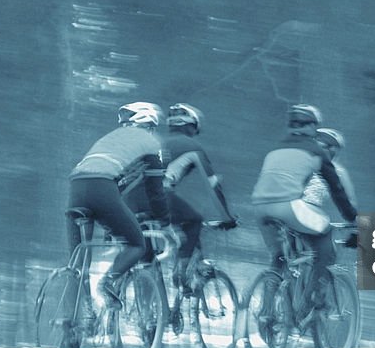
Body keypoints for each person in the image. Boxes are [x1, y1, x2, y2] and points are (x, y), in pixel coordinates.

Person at [252, 105, 358, 306]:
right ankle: (312, 300)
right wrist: (354, 220)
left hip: (259, 207)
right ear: (312, 127)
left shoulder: (277, 148)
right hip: (289, 208)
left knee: (280, 257)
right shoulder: (317, 153)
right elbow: (338, 192)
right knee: (325, 245)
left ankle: (267, 310)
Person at [68, 101, 172, 307]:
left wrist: (112, 225)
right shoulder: (149, 143)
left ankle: (71, 323)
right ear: (148, 125)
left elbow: (119, 185)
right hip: (101, 188)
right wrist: (166, 225)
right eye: (153, 128)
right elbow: (155, 192)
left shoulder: (111, 139)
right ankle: (106, 283)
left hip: (75, 188)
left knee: (77, 265)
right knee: (136, 245)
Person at [151, 102, 238, 289]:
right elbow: (212, 184)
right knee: (194, 221)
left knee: (175, 226)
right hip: (161, 195)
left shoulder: (158, 142)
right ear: (190, 126)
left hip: (137, 198)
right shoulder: (192, 146)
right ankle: (180, 272)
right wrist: (226, 217)